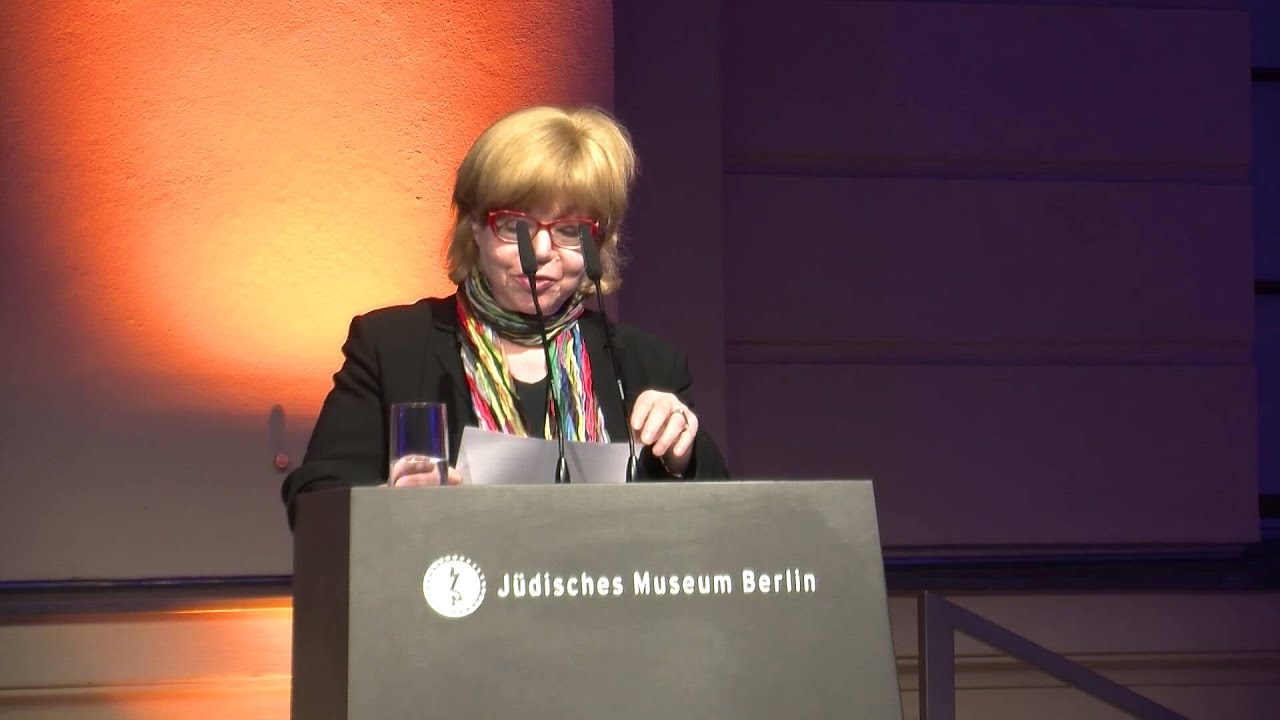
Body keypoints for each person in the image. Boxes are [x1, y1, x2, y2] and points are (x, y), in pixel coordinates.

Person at [281, 105, 729, 525]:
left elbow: (725, 519)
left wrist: (682, 458)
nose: (539, 252)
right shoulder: (392, 346)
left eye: (571, 231)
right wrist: (390, 506)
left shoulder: (645, 363)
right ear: (474, 227)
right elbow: (314, 502)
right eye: (515, 226)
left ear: (599, 244)